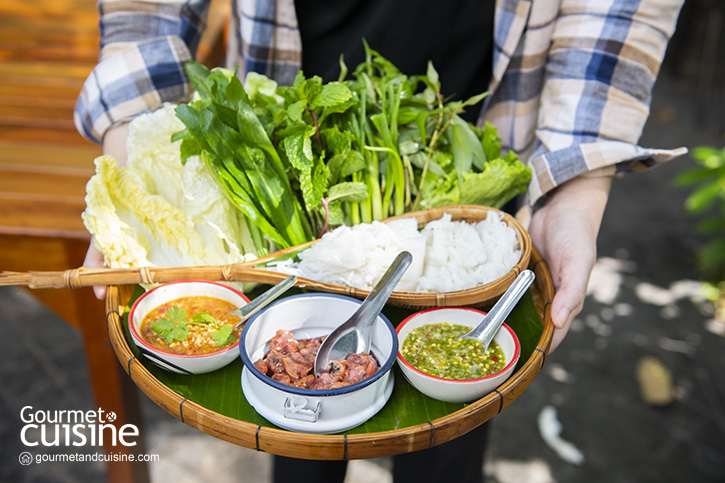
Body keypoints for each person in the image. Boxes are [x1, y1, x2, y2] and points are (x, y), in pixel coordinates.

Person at [75, 1, 685, 481]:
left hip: (487, 120)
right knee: (296, 428)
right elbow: (147, 8)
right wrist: (134, 164)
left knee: (450, 435)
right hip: (293, 102)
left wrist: (575, 193)